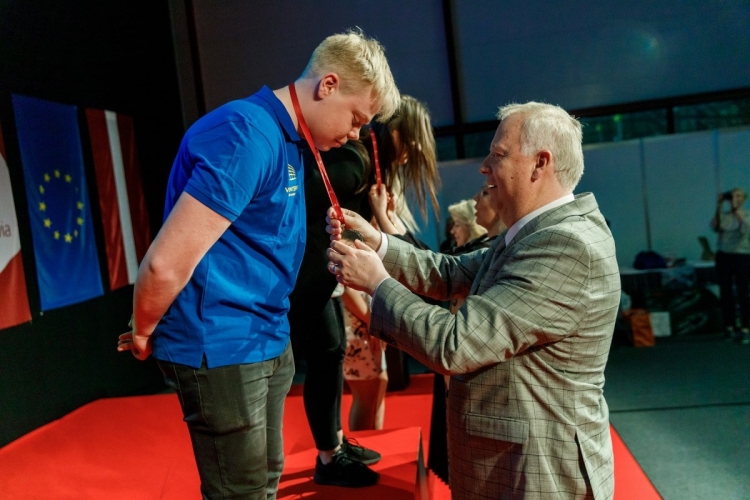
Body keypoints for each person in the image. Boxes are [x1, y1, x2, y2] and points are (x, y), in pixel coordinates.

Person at [116, 30, 399, 499]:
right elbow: (165, 263)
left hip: (265, 337)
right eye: (355, 119)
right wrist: (145, 328)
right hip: (223, 344)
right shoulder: (245, 133)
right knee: (242, 492)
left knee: (263, 482)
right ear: (328, 85)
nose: (355, 135)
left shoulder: (287, 139)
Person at [326, 101, 620, 499]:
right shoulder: (538, 232)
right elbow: (450, 273)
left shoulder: (564, 245)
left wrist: (377, 283)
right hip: (515, 463)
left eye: (498, 154)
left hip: (534, 471)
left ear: (540, 164)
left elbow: (455, 344)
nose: (484, 167)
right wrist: (377, 242)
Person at [286, 94, 440, 487]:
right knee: (319, 357)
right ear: (396, 136)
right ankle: (328, 455)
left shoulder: (367, 168)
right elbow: (300, 193)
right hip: (302, 280)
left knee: (331, 352)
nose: (414, 151)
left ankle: (333, 446)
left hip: (319, 280)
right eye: (412, 140)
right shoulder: (358, 161)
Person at [711, 187, 750, 344]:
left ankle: (745, 328)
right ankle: (729, 326)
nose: (736, 198)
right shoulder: (724, 215)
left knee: (743, 292)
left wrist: (735, 209)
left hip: (742, 256)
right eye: (733, 196)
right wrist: (719, 205)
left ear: (744, 199)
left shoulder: (748, 215)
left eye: (739, 196)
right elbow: (715, 227)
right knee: (725, 291)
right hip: (724, 256)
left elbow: (745, 229)